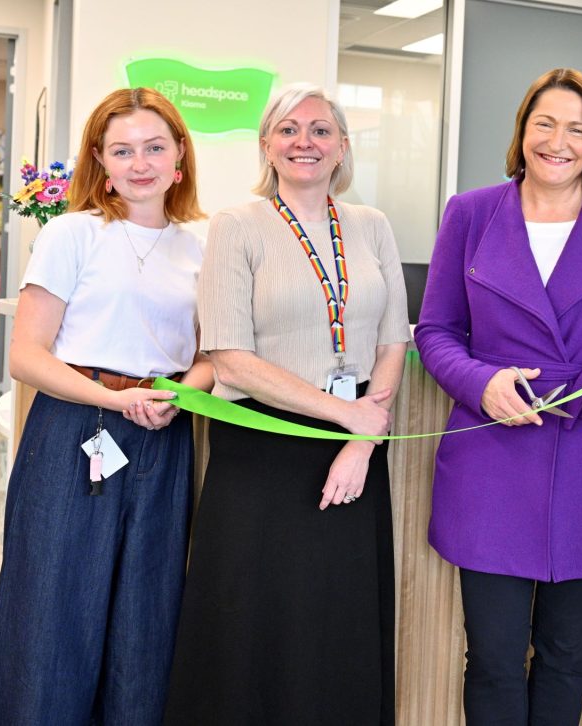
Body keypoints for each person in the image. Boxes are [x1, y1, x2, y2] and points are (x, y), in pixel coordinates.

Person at [415, 67, 582, 725]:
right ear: (522, 131)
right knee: (495, 659)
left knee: (565, 653)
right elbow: (437, 330)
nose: (558, 141)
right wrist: (482, 383)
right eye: (544, 124)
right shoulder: (471, 213)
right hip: (492, 461)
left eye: (576, 128)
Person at [163, 84, 409, 725]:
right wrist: (347, 417)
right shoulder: (236, 225)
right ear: (267, 145)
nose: (306, 141)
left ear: (343, 148)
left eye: (321, 130)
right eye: (290, 129)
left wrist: (361, 441)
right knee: (254, 626)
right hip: (262, 453)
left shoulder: (372, 226)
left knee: (341, 624)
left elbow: (392, 342)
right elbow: (228, 356)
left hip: (353, 455)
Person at [0, 87, 210, 725]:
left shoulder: (203, 244)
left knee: (144, 616)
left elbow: (215, 352)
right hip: (77, 427)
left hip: (162, 435)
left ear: (179, 156)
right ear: (100, 162)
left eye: (155, 147)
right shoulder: (74, 233)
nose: (141, 163)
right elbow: (26, 354)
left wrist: (187, 392)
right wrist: (110, 397)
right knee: (53, 608)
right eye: (123, 150)